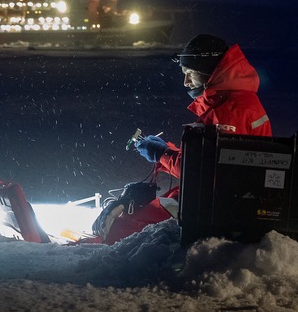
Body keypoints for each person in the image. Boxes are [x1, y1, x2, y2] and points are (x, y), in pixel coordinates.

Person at [94, 34, 272, 244]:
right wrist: (166, 152)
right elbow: (208, 162)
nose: (186, 82)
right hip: (228, 198)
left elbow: (205, 173)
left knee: (123, 229)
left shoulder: (227, 112)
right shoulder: (236, 100)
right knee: (143, 212)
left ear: (209, 72)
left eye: (190, 74)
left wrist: (161, 153)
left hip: (220, 206)